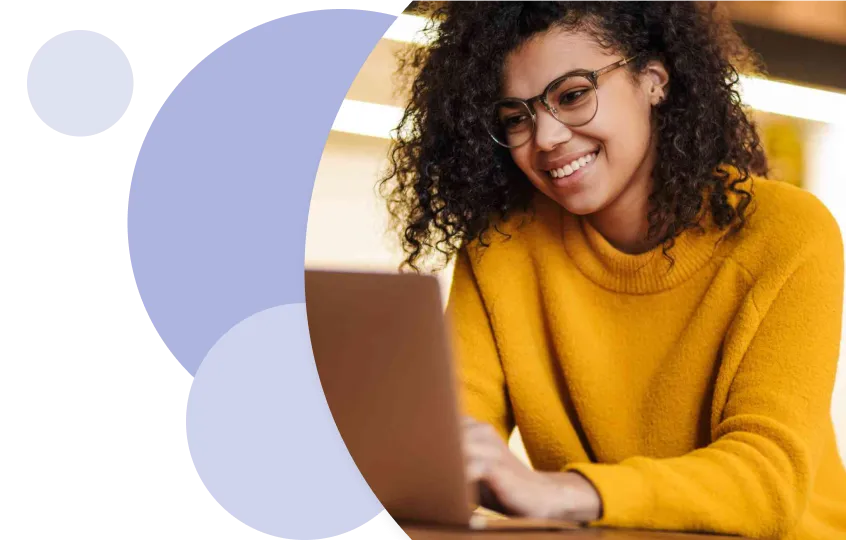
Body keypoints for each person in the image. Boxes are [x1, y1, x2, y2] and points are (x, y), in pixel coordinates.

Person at [377, 1, 845, 538]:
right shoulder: (501, 248)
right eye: (515, 118)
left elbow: (768, 481)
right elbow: (454, 439)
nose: (546, 138)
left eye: (572, 95)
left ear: (653, 80)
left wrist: (564, 493)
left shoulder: (787, 232)